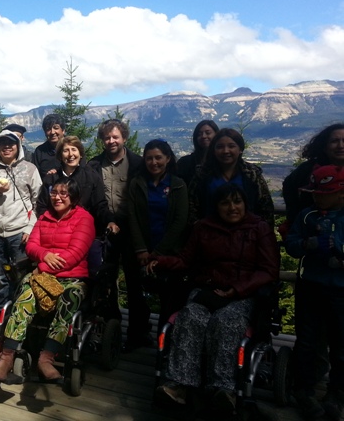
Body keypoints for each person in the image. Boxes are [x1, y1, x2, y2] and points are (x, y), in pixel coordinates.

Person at [149, 183, 279, 412]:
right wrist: (160, 261)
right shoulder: (204, 227)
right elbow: (186, 260)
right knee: (190, 316)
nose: (232, 207)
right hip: (207, 290)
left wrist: (237, 289)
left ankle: (223, 388)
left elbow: (269, 270)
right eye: (225, 203)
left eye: (237, 201)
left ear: (245, 204)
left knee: (226, 321)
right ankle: (179, 385)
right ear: (216, 206)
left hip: (242, 294)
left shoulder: (258, 228)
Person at [0, 178, 95, 382]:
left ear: (73, 197)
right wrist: (45, 256)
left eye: (63, 193)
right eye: (54, 192)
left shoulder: (85, 219)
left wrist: (42, 263)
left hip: (71, 278)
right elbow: (31, 247)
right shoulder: (44, 218)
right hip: (42, 276)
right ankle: (7, 356)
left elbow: (75, 254)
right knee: (23, 295)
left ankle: (46, 358)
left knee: (70, 298)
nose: (57, 197)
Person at [286, 165, 344, 421]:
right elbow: (292, 245)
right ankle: (304, 389)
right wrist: (306, 244)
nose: (316, 197)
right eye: (315, 192)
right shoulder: (306, 216)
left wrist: (338, 250)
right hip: (310, 286)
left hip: (340, 290)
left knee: (340, 343)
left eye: (323, 193)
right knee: (307, 339)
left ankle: (336, 393)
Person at [87, 118, 147, 349]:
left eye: (115, 137)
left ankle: (137, 333)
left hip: (132, 232)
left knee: (135, 283)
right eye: (107, 137)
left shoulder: (138, 164)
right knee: (106, 282)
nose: (111, 141)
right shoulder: (94, 165)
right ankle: (111, 330)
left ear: (124, 138)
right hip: (105, 230)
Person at [0, 128, 42, 311]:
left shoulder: (29, 169)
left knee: (21, 276)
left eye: (11, 143)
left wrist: (29, 228)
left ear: (18, 146)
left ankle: (20, 313)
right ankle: (0, 313)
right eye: (3, 143)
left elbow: (38, 202)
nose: (7, 147)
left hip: (20, 232)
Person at [127, 139, 188, 331]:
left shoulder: (178, 185)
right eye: (149, 158)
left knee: (169, 300)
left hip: (169, 252)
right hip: (141, 250)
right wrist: (141, 250)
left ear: (168, 158)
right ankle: (138, 334)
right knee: (136, 295)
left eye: (158, 158)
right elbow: (132, 217)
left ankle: (165, 343)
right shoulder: (137, 183)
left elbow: (180, 221)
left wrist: (158, 254)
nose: (154, 162)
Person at [188, 128, 274, 227]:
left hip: (247, 235)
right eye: (220, 147)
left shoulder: (252, 174)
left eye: (231, 146)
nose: (225, 151)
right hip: (211, 234)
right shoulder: (203, 175)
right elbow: (192, 208)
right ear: (214, 150)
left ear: (240, 149)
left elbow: (265, 208)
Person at [36, 136, 117, 237]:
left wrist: (109, 221)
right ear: (60, 156)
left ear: (80, 154)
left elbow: (100, 204)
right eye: (66, 150)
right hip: (56, 232)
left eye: (74, 149)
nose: (71, 154)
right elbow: (42, 206)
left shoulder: (91, 177)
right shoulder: (52, 179)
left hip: (84, 231)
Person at [283, 123, 344, 229]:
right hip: (312, 231)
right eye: (334, 141)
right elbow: (289, 187)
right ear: (324, 147)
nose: (340, 146)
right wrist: (296, 217)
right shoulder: (308, 170)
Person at [176, 120, 219, 186]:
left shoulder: (222, 162)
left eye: (208, 133)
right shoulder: (185, 163)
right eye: (199, 134)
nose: (203, 136)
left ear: (217, 135)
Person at [32, 114, 66, 178]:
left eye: (56, 128)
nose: (52, 132)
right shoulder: (40, 151)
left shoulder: (73, 148)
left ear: (63, 130)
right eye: (48, 129)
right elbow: (35, 177)